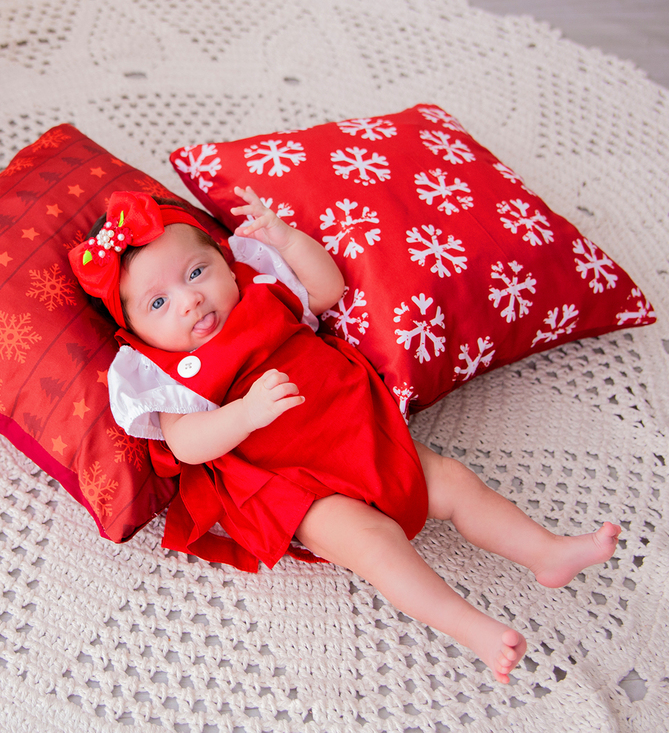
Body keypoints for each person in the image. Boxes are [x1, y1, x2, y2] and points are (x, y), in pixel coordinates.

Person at [69, 188, 620, 684]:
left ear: (226, 262)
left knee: (452, 481)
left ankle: (545, 552)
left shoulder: (263, 290)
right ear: (134, 330)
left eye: (196, 272)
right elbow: (187, 444)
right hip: (294, 484)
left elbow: (327, 288)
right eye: (158, 303)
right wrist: (244, 413)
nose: (189, 300)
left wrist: (288, 239)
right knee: (377, 545)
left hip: (356, 430)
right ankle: (474, 629)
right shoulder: (162, 373)